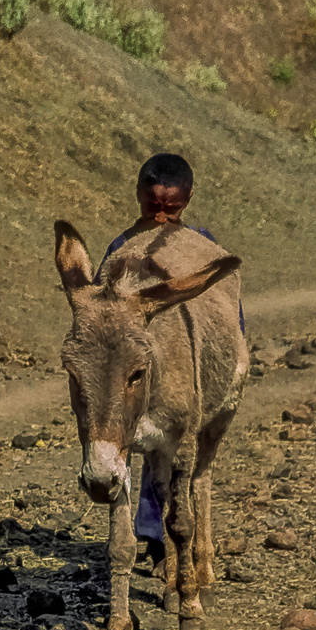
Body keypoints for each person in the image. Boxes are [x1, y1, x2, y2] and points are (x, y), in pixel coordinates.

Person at [98, 153, 243, 566]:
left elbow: (230, 318)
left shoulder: (202, 247)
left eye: (171, 210)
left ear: (188, 201)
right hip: (139, 372)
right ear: (138, 195)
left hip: (184, 372)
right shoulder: (120, 250)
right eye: (152, 207)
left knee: (177, 458)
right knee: (148, 454)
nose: (160, 219)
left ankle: (172, 538)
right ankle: (155, 538)